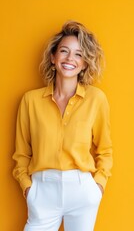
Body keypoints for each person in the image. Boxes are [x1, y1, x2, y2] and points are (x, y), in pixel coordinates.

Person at [12, 21, 113, 231]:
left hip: (82, 191)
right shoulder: (30, 101)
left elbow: (105, 149)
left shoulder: (96, 99)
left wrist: (98, 187)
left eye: (78, 54)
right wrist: (28, 189)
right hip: (42, 191)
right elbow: (21, 153)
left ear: (85, 63)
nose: (70, 59)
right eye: (64, 51)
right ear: (53, 58)